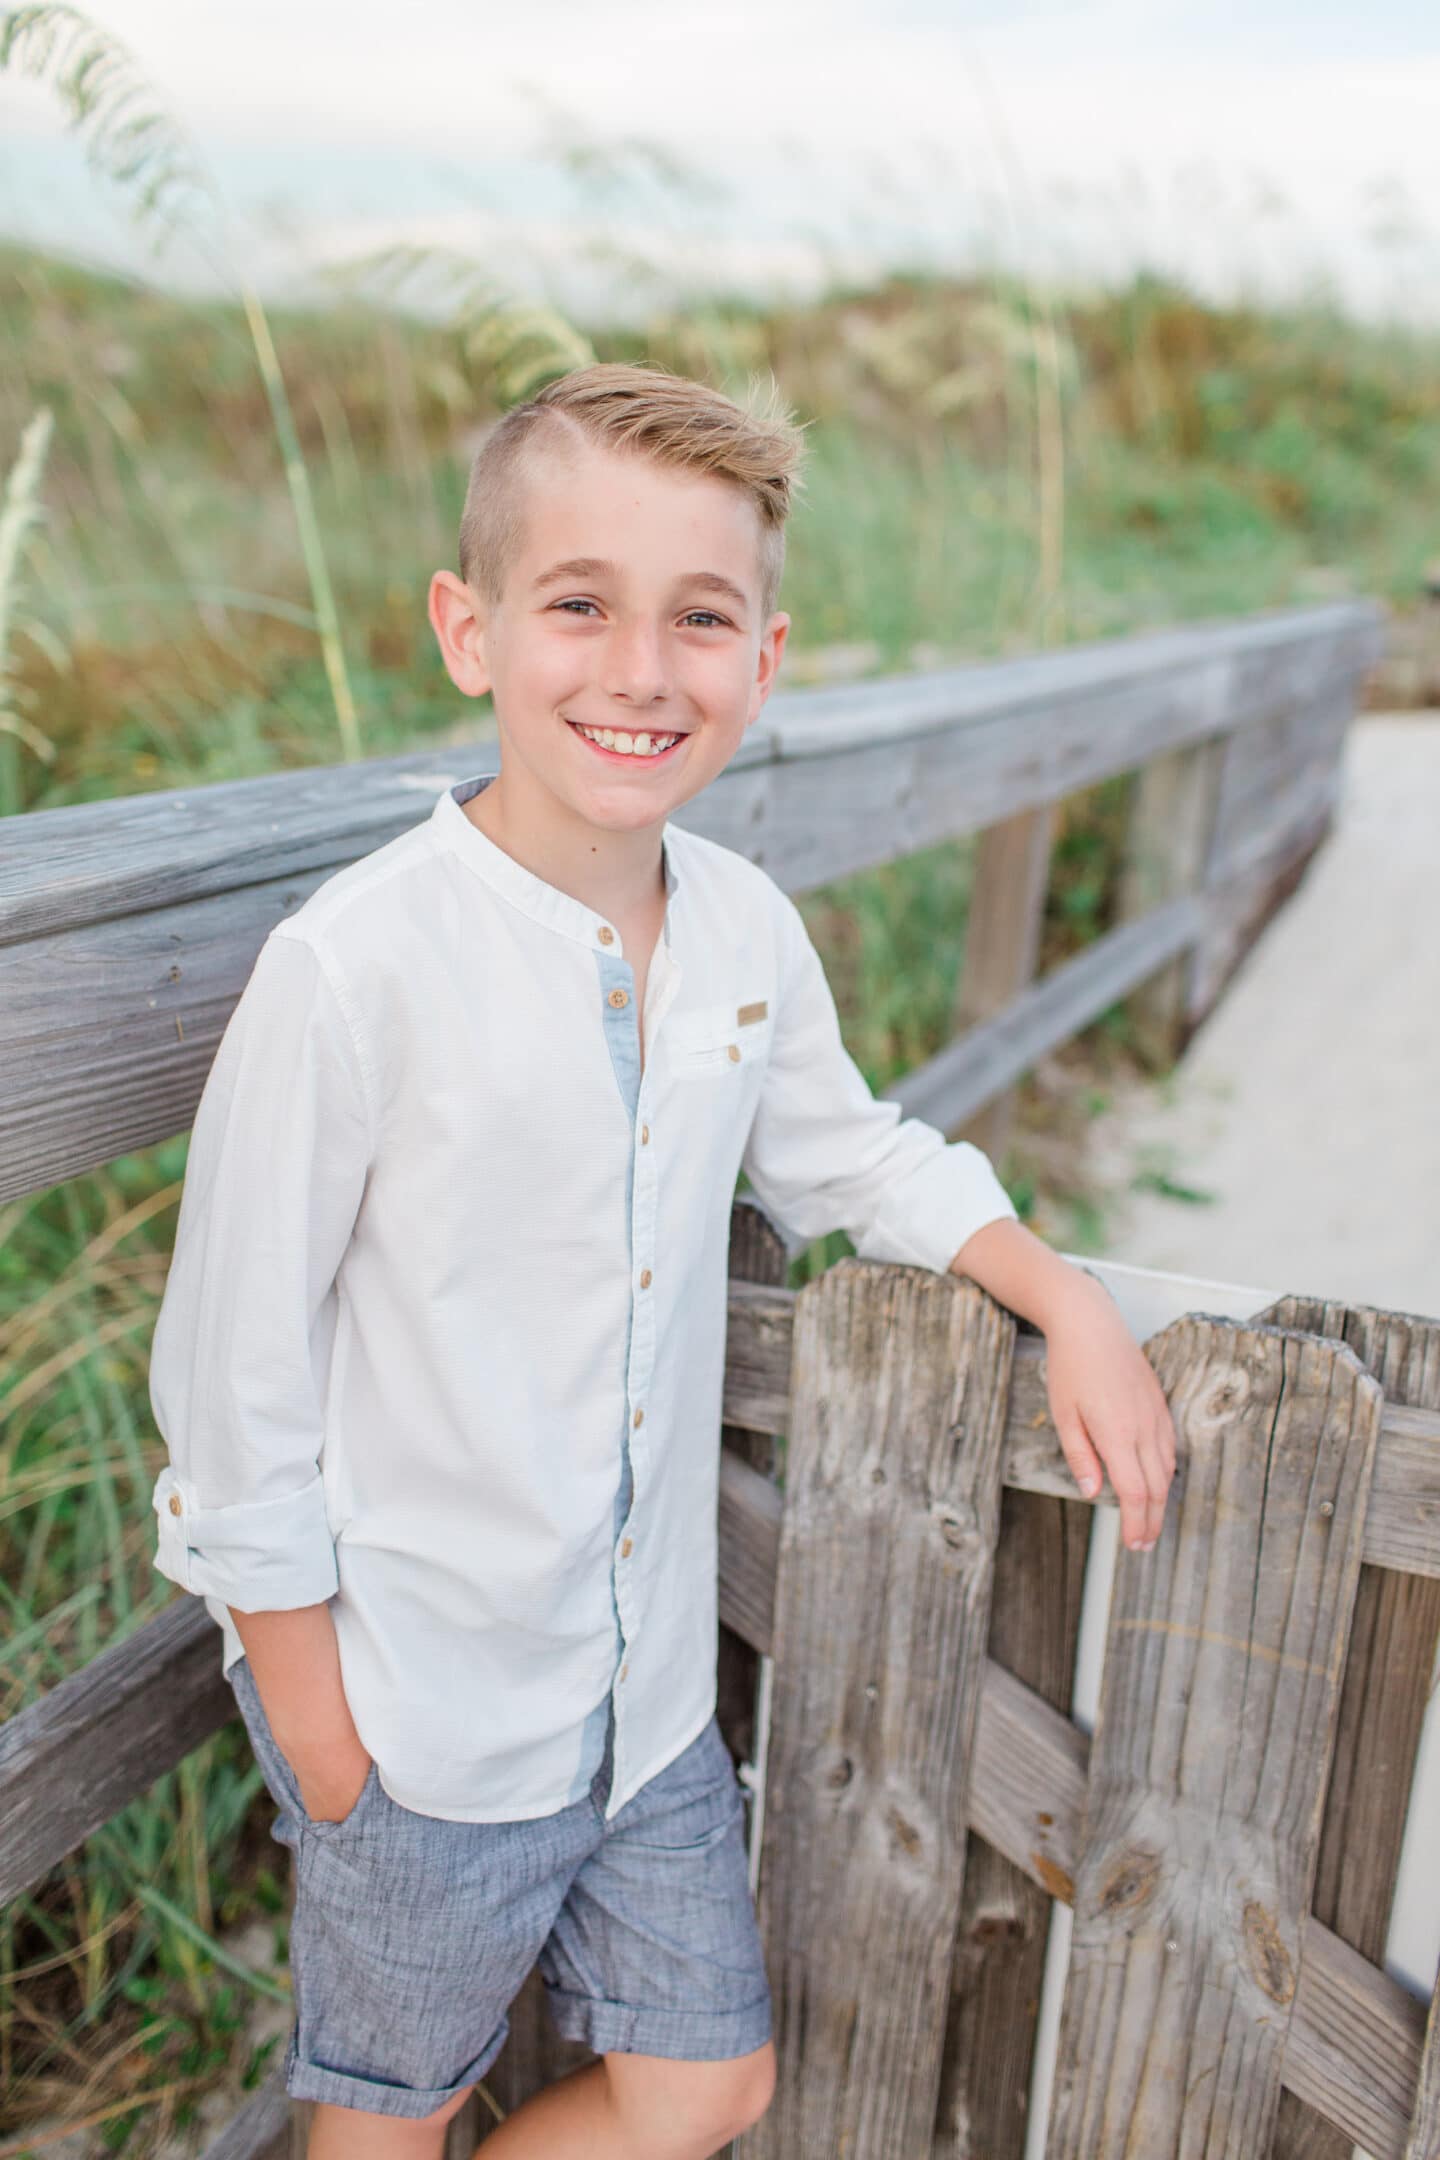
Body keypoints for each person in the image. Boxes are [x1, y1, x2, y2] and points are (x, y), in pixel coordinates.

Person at [147, 361, 1177, 2159]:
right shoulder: (358, 970)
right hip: (420, 1710)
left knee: (709, 2086)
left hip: (642, 1720)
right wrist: (327, 1747)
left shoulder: (742, 930)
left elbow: (856, 1149)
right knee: (386, 2120)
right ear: (470, 633)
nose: (641, 669)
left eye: (700, 618)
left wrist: (1061, 1292)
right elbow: (229, 1385)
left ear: (763, 660)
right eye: (579, 607)